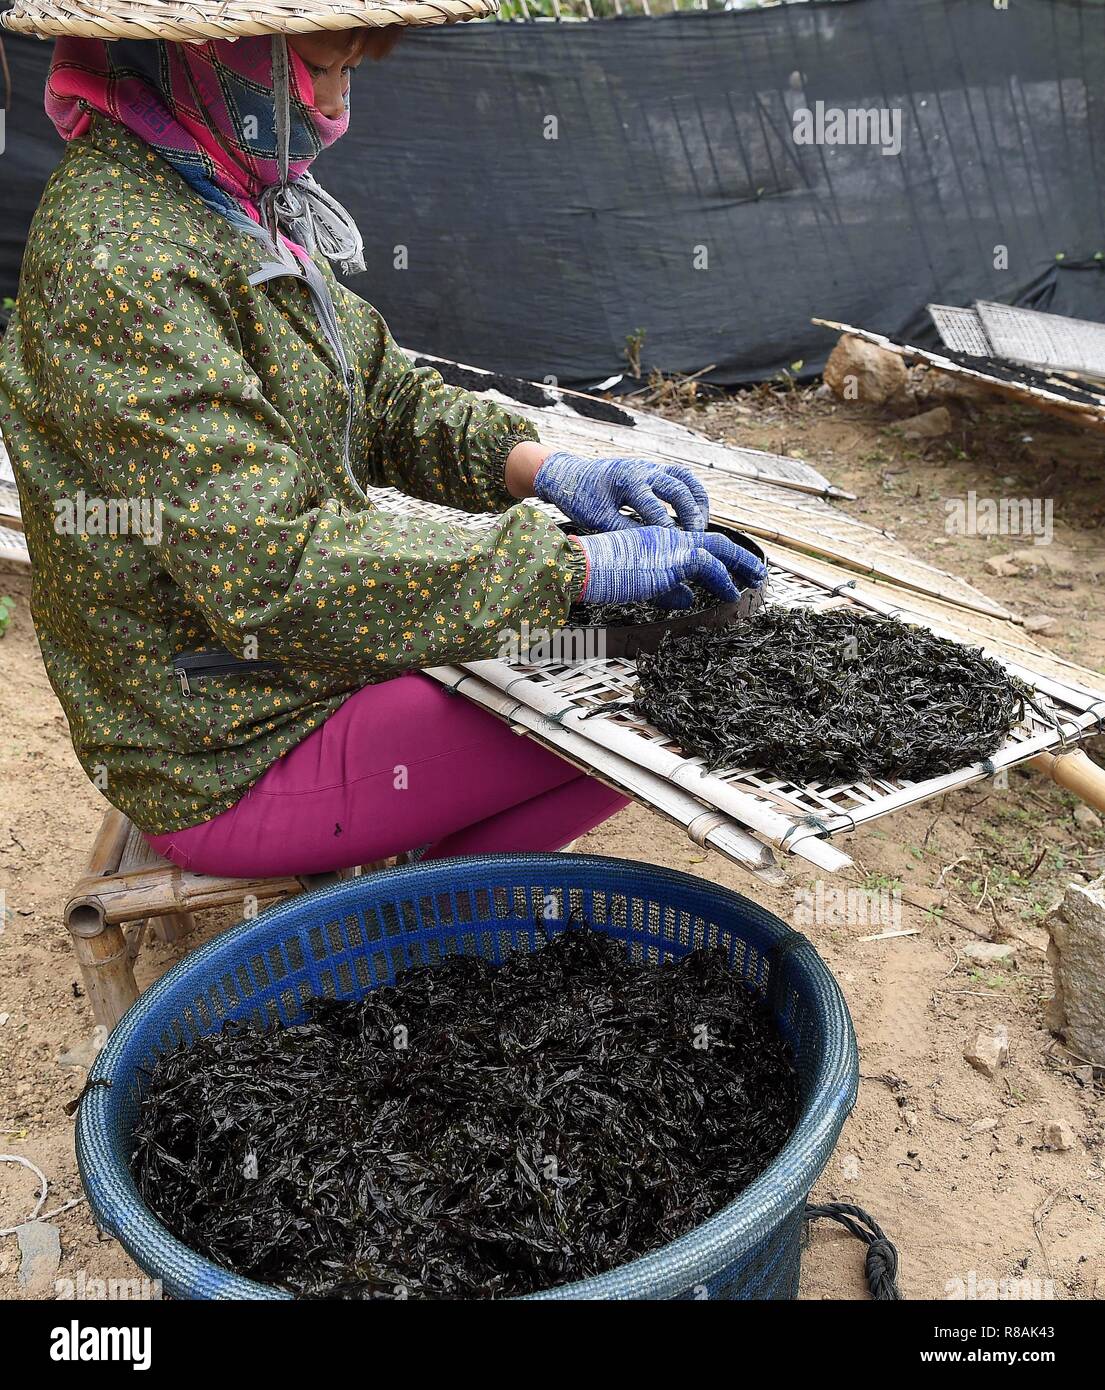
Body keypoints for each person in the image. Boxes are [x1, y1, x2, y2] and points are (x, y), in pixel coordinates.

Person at [0, 0, 765, 876]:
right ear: (199, 60)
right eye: (312, 72)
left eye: (348, 73)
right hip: (226, 740)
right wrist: (579, 570)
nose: (329, 107)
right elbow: (272, 569)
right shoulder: (122, 255)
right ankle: (408, 935)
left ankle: (430, 908)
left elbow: (378, 391)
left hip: (294, 672)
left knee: (624, 662)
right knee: (647, 707)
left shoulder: (222, 189)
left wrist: (549, 469)